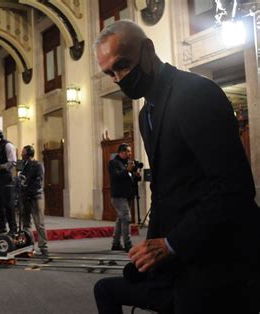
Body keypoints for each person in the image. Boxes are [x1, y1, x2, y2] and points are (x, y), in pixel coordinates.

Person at [93, 20, 259, 314]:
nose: (118, 78)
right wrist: (149, 253)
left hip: (219, 256)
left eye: (122, 65)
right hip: (179, 255)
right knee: (105, 290)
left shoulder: (195, 93)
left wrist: (171, 244)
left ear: (148, 50)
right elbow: (164, 193)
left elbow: (234, 189)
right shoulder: (146, 115)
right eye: (110, 73)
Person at [19, 145, 48, 255]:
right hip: (24, 196)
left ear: (28, 153)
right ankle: (29, 245)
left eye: (23, 152)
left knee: (39, 222)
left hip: (35, 196)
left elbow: (38, 180)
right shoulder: (22, 164)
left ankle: (43, 246)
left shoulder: (37, 165)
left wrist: (26, 185)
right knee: (26, 223)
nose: (21, 154)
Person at [108, 143, 138, 252]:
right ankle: (127, 244)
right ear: (122, 152)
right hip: (118, 196)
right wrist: (127, 170)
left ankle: (115, 243)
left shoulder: (126, 164)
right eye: (128, 151)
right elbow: (115, 176)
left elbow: (128, 178)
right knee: (126, 217)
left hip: (126, 195)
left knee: (120, 219)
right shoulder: (113, 163)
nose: (130, 153)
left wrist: (135, 175)